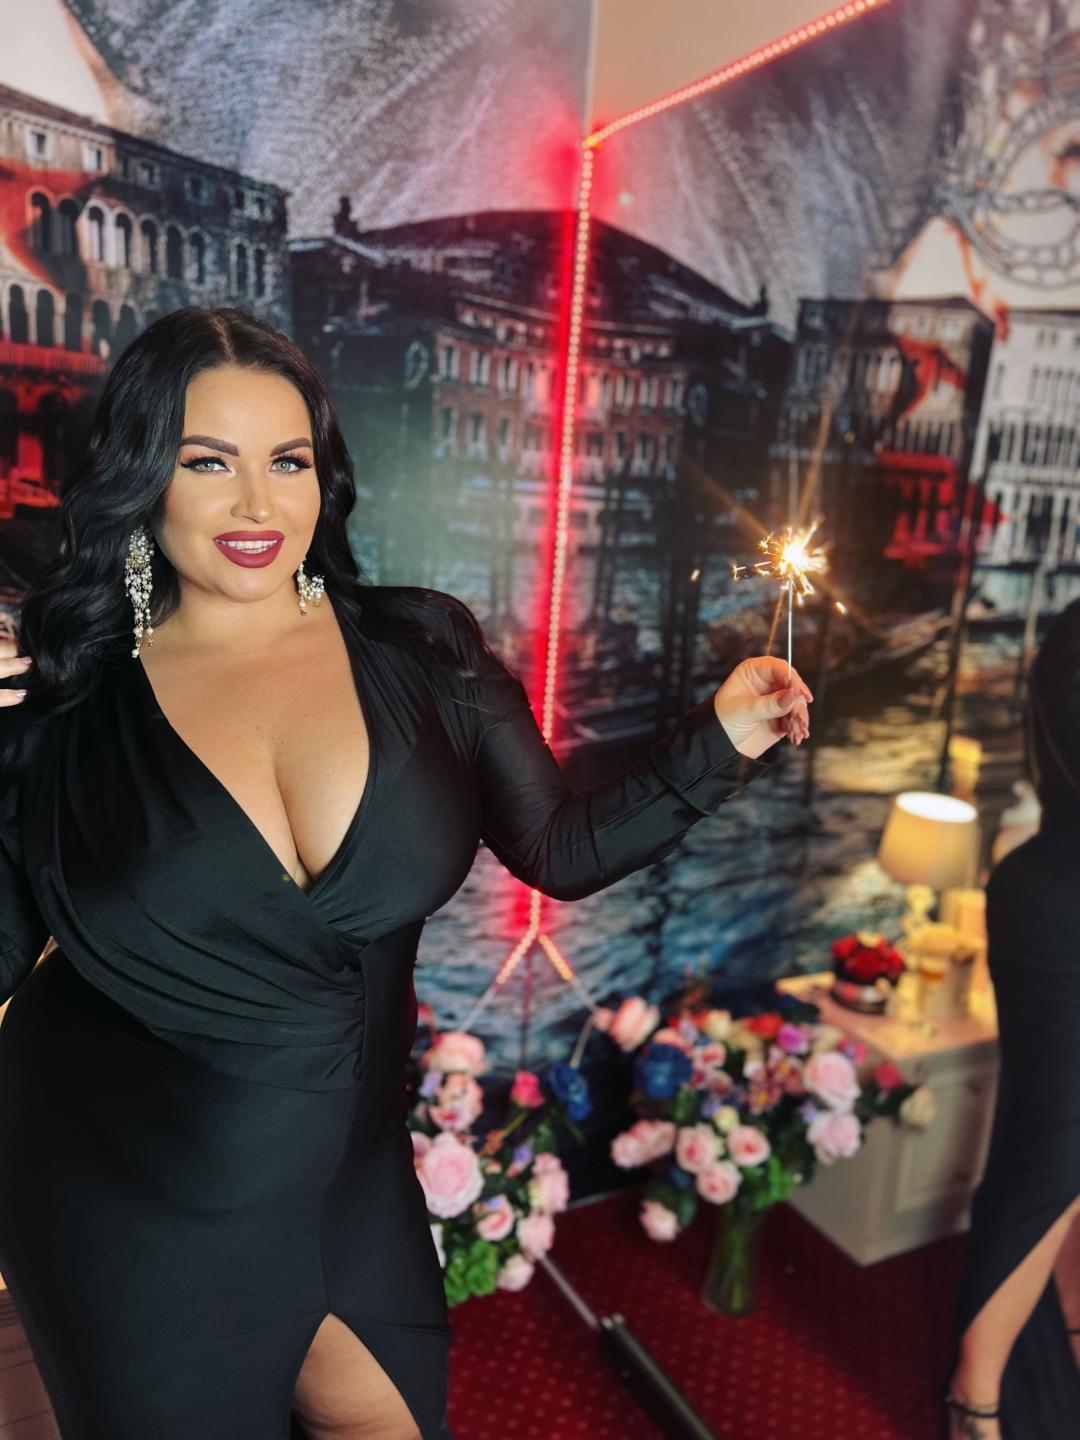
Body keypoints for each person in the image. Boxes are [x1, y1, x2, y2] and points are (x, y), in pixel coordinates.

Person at [0, 305, 811, 1440]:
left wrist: (719, 741)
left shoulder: (421, 650)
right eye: (207, 462)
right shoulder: (60, 723)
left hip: (354, 1187)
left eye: (287, 461)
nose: (257, 505)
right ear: (145, 477)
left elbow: (559, 849)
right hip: (128, 1209)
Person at [948, 598, 1080, 1439]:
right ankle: (975, 1398)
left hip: (1056, 894)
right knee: (1050, 1157)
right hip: (1063, 912)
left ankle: (1064, 1335)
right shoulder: (1075, 640)